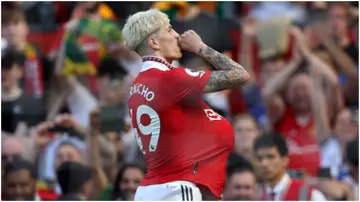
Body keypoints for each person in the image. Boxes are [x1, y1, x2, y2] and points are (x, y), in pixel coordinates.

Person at [122, 9, 249, 200]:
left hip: (154, 189)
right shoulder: (170, 79)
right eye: (169, 29)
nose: (176, 35)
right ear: (154, 42)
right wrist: (200, 47)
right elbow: (240, 75)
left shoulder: (138, 85)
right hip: (176, 189)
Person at [254, 132, 327, 201]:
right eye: (259, 158)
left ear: (285, 160)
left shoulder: (308, 195)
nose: (264, 164)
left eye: (270, 157)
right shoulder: (255, 197)